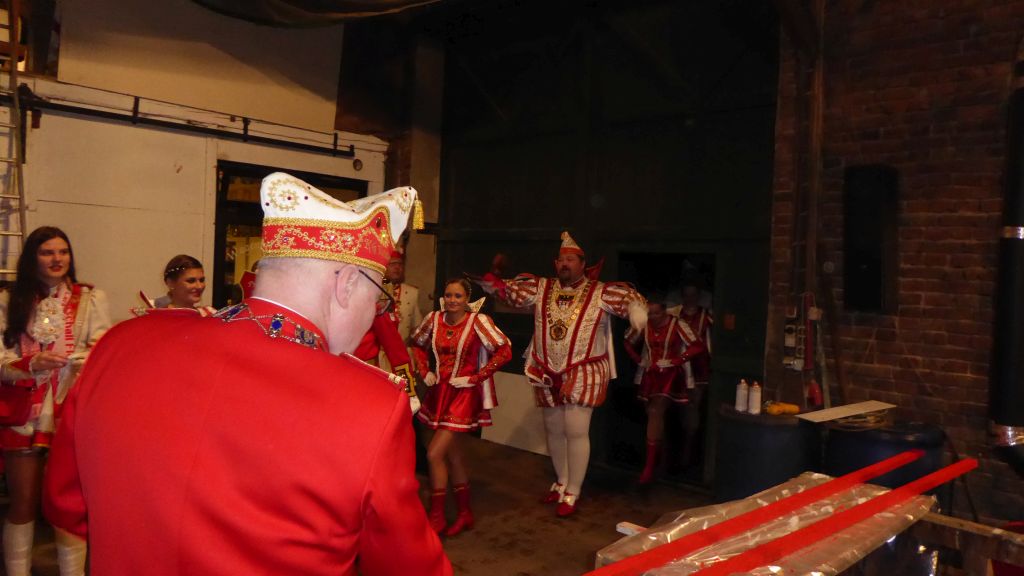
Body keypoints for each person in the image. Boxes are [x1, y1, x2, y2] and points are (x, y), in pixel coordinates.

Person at [43, 173, 452, 575]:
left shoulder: (121, 344)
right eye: (377, 298)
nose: (374, 313)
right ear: (345, 283)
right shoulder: (370, 407)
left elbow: (66, 504)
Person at [483, 231, 646, 517]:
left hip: (583, 369)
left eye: (570, 259)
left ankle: (573, 491)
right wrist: (494, 277)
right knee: (554, 430)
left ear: (583, 264)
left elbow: (631, 300)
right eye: (561, 260)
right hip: (546, 367)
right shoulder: (541, 287)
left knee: (576, 430)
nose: (564, 264)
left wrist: (636, 313)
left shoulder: (600, 291)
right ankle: (561, 482)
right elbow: (508, 293)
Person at [0, 226, 111, 576]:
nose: (57, 259)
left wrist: (81, 359)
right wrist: (31, 363)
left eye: (63, 251)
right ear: (32, 257)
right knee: (23, 503)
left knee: (69, 503)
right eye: (47, 252)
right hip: (24, 411)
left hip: (72, 406)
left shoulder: (91, 298)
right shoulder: (8, 300)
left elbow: (102, 347)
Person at [411, 278, 511, 536]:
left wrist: (476, 378)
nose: (452, 300)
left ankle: (437, 517)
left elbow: (504, 351)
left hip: (464, 394)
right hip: (440, 391)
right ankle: (465, 514)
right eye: (448, 295)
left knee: (434, 454)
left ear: (467, 299)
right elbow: (417, 344)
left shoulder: (478, 321)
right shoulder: (434, 319)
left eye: (458, 296)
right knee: (454, 456)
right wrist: (424, 370)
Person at [624, 295, 707, 484]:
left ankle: (651, 467)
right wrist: (639, 360)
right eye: (649, 313)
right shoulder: (644, 324)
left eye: (656, 313)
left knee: (657, 411)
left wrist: (678, 360)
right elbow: (628, 341)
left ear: (664, 311)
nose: (652, 317)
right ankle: (659, 461)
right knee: (654, 416)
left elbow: (698, 345)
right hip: (651, 374)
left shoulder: (677, 324)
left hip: (672, 375)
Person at [144, 254, 216, 316]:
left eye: (201, 280)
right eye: (191, 281)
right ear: (170, 283)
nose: (199, 286)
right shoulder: (157, 317)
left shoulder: (209, 314)